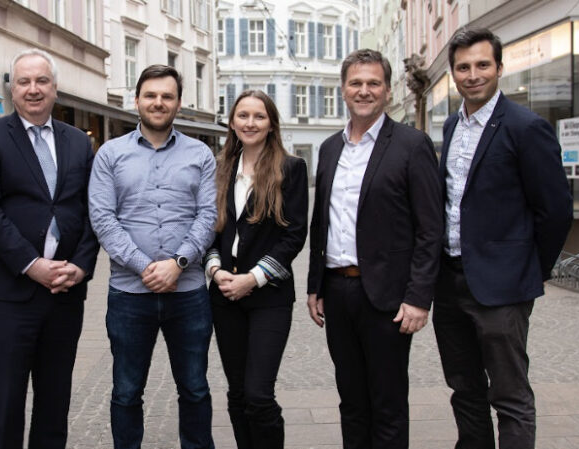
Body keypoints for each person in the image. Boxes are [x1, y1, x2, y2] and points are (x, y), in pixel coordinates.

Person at [434, 27, 573, 449]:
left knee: (510, 395)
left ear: (498, 67)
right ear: (453, 74)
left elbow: (555, 211)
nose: (472, 75)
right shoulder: (452, 125)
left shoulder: (525, 126)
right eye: (463, 67)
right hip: (450, 282)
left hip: (502, 287)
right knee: (465, 390)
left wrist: (530, 271)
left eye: (481, 65)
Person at [306, 49, 443, 448]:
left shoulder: (411, 145)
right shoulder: (330, 149)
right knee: (351, 400)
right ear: (343, 89)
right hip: (337, 291)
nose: (364, 91)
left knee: (387, 404)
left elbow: (429, 229)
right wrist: (315, 284)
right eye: (356, 83)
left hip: (387, 296)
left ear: (386, 90)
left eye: (373, 83)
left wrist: (419, 298)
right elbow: (322, 222)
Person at [0, 48, 99, 449]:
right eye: (23, 81)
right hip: (8, 296)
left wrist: (80, 266)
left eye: (42, 81)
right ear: (11, 89)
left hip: (64, 295)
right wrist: (31, 263)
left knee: (54, 403)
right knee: (3, 406)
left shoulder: (79, 142)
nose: (33, 89)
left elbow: (94, 210)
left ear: (56, 89)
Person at [89, 64, 217, 449]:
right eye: (151, 95)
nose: (158, 102)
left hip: (189, 293)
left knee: (194, 388)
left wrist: (177, 264)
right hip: (129, 294)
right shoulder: (110, 154)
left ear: (179, 103)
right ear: (137, 100)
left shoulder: (201, 154)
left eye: (167, 96)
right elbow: (103, 218)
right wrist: (146, 267)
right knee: (126, 391)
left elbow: (208, 216)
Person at [204, 90, 307, 448]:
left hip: (269, 297)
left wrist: (253, 278)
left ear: (271, 123)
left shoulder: (290, 168)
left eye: (258, 116)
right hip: (224, 294)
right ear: (231, 122)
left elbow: (293, 236)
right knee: (236, 394)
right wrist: (217, 273)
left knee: (259, 394)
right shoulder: (219, 169)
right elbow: (209, 231)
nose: (250, 123)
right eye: (243, 116)